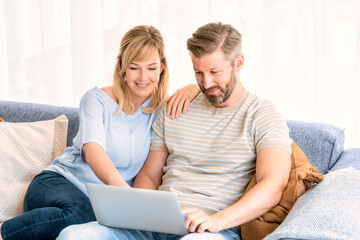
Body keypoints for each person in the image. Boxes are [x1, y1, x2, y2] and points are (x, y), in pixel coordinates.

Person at [57, 22, 293, 240]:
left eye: (215, 72)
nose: (206, 83)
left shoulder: (263, 115)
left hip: (210, 229)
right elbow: (149, 176)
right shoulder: (175, 109)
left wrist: (216, 220)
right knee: (74, 235)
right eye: (198, 73)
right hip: (156, 222)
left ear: (238, 63)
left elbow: (272, 185)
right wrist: (137, 213)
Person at [0, 25, 200, 240]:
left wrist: (193, 87)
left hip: (103, 203)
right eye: (135, 67)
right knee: (82, 213)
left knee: (94, 222)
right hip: (59, 184)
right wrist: (125, 194)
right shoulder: (95, 99)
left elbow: (207, 92)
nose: (144, 77)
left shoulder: (160, 110)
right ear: (123, 67)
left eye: (151, 68)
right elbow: (93, 149)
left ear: (162, 67)